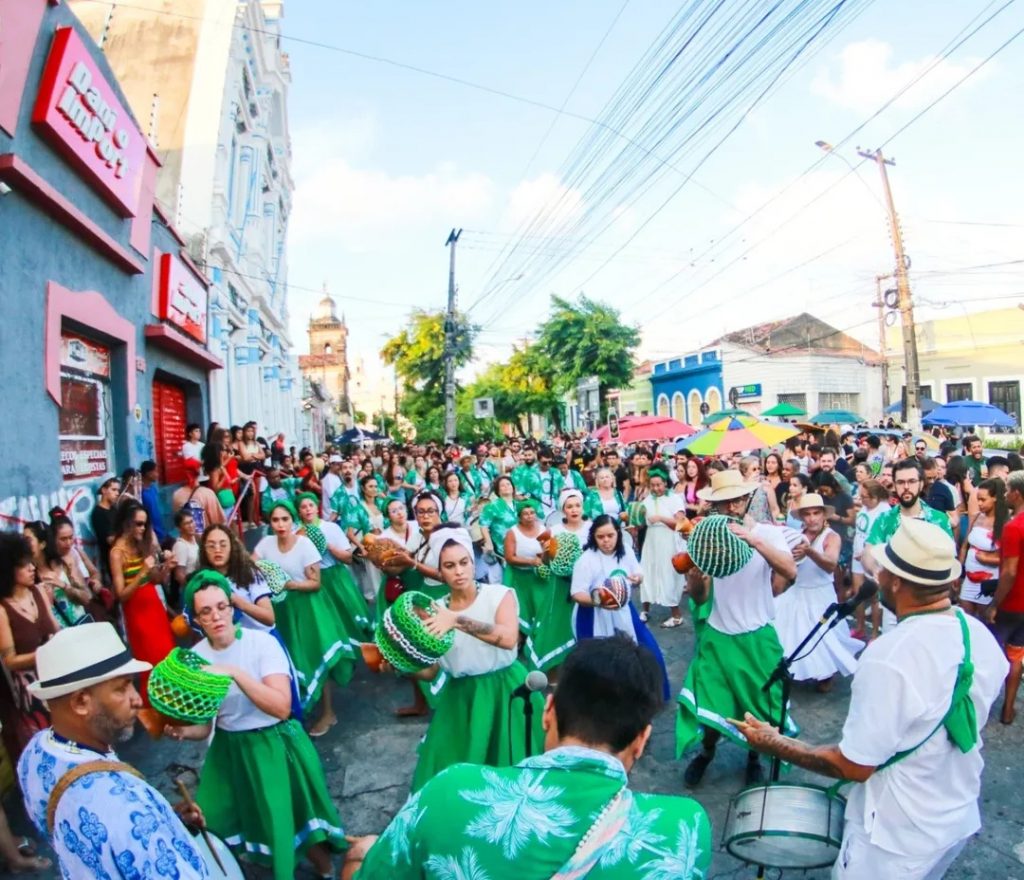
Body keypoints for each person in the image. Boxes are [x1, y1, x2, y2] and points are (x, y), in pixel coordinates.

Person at [734, 519, 1007, 880]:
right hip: (955, 815)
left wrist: (774, 743)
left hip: (895, 837)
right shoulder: (976, 634)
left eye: (881, 571)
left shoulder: (889, 658)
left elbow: (852, 766)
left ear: (895, 582)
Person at [344, 635, 712, 880]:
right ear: (642, 739)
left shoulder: (448, 792)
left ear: (547, 711)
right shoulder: (682, 828)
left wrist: (364, 855)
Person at [166, 573, 345, 879]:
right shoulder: (196, 659)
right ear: (196, 618)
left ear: (232, 606)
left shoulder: (261, 643)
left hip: (274, 742)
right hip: (229, 749)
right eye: (206, 612)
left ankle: (325, 868)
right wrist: (183, 730)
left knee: (290, 815)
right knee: (217, 818)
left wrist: (234, 673)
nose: (216, 616)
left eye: (221, 606)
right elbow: (206, 726)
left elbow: (280, 706)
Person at [17, 623, 210, 878]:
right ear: (80, 702)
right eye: (122, 687)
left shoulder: (35, 753)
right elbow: (122, 824)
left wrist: (165, 818)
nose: (137, 699)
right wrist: (149, 825)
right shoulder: (126, 810)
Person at [676, 469, 798, 787]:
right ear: (715, 506)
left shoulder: (767, 535)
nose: (731, 507)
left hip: (756, 636)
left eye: (737, 500)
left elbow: (790, 571)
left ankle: (754, 757)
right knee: (713, 701)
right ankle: (706, 753)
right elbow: (701, 597)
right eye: (724, 502)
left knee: (758, 706)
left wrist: (754, 540)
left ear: (746, 500)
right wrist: (695, 582)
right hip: (718, 636)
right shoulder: (707, 539)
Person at [407, 532, 544, 792]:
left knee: (512, 765)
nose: (458, 571)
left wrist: (457, 620)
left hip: (506, 690)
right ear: (440, 572)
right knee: (453, 768)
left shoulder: (499, 595)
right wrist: (401, 665)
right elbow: (432, 670)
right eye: (449, 566)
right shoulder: (433, 609)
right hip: (462, 697)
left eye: (463, 562)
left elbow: (507, 638)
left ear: (473, 563)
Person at [253, 500, 349, 732]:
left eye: (285, 519)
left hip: (308, 608)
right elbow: (252, 563)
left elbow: (315, 583)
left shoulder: (305, 545)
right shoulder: (266, 543)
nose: (280, 525)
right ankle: (294, 708)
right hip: (280, 610)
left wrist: (288, 584)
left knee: (315, 656)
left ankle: (328, 712)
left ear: (293, 520)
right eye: (275, 520)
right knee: (286, 660)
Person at [569, 515, 670, 697]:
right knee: (599, 662)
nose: (606, 541)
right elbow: (576, 593)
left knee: (645, 649)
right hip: (593, 615)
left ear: (618, 534)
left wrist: (638, 578)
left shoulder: (626, 552)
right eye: (601, 537)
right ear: (594, 537)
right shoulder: (586, 560)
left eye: (610, 535)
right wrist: (599, 601)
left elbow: (637, 571)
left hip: (623, 610)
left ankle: (647, 694)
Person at [773, 494, 862, 691]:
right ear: (802, 517)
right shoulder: (796, 535)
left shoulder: (832, 537)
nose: (812, 518)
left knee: (822, 638)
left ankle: (825, 673)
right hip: (798, 591)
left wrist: (809, 552)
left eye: (816, 513)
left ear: (823, 515)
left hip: (821, 595)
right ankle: (793, 668)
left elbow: (830, 564)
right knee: (789, 633)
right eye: (807, 514)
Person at [862, 458, 954, 633]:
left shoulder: (938, 519)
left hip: (930, 603)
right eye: (901, 482)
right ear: (894, 485)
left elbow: (950, 559)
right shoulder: (885, 520)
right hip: (895, 605)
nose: (906, 487)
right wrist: (874, 570)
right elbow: (869, 550)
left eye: (911, 481)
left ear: (921, 484)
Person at [109, 501, 176, 712]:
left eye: (144, 525)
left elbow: (154, 579)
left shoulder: (141, 544)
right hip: (137, 611)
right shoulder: (117, 552)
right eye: (138, 524)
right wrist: (141, 574)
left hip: (153, 605)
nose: (142, 529)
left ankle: (172, 700)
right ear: (127, 523)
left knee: (167, 653)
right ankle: (155, 707)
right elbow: (121, 595)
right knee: (150, 659)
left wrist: (165, 569)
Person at [0, 533, 59, 749]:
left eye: (30, 562)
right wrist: (42, 654)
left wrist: (56, 642)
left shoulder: (39, 591)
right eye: (23, 565)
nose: (32, 568)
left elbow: (54, 628)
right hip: (32, 690)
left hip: (58, 673)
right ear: (7, 570)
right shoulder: (3, 610)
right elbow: (10, 660)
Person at [525, 489, 588, 673]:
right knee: (561, 623)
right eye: (569, 506)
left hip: (584, 584)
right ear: (563, 510)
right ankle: (558, 664)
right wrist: (546, 551)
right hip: (561, 585)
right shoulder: (553, 531)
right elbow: (546, 561)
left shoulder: (591, 528)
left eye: (577, 505)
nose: (574, 510)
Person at [987, 470, 1024, 725]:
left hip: (1011, 603)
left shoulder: (1014, 528)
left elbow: (1009, 572)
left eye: (1008, 490)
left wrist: (994, 604)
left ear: (1017, 494)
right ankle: (1008, 710)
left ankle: (984, 705)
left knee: (993, 654)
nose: (1005, 494)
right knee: (1016, 656)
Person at [199, 523, 275, 631]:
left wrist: (237, 601)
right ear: (204, 550)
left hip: (261, 637)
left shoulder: (248, 572)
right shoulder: (203, 580)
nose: (217, 550)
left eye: (223, 545)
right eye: (211, 546)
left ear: (232, 547)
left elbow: (269, 618)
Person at [638, 465, 687, 627]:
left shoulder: (675, 499)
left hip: (668, 540)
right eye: (652, 485)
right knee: (647, 571)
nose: (656, 488)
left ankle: (676, 614)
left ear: (665, 483)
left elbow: (681, 523)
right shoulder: (647, 500)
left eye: (659, 485)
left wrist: (660, 518)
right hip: (651, 540)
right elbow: (640, 521)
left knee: (668, 573)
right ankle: (645, 609)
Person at [958, 477, 1005, 618]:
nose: (979, 503)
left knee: (986, 623)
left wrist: (986, 558)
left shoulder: (1004, 524)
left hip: (988, 582)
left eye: (983, 500)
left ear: (995, 498)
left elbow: (1007, 559)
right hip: (968, 579)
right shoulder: (977, 517)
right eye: (977, 499)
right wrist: (960, 572)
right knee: (966, 619)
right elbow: (964, 547)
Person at [502, 499, 550, 636]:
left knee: (539, 606)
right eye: (525, 514)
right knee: (521, 609)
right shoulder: (512, 532)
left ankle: (537, 638)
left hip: (537, 577)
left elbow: (548, 554)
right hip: (519, 577)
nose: (530, 516)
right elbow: (509, 557)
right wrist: (530, 561)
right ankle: (519, 638)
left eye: (532, 513)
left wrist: (545, 554)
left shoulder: (543, 529)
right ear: (519, 517)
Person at [851, 480, 890, 640]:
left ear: (874, 497)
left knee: (874, 598)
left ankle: (874, 633)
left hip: (874, 559)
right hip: (857, 555)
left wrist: (868, 553)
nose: (861, 500)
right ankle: (859, 627)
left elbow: (885, 539)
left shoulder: (884, 512)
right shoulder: (864, 509)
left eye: (865, 497)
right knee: (857, 593)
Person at [90, 475, 121, 582]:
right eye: (114, 490)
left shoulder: (114, 509)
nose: (117, 493)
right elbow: (109, 540)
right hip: (110, 561)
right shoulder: (98, 513)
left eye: (118, 490)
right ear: (103, 490)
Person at [138, 459, 167, 542]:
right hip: (152, 533)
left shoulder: (153, 488)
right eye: (155, 471)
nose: (157, 474)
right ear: (148, 473)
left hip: (161, 531)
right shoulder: (141, 492)